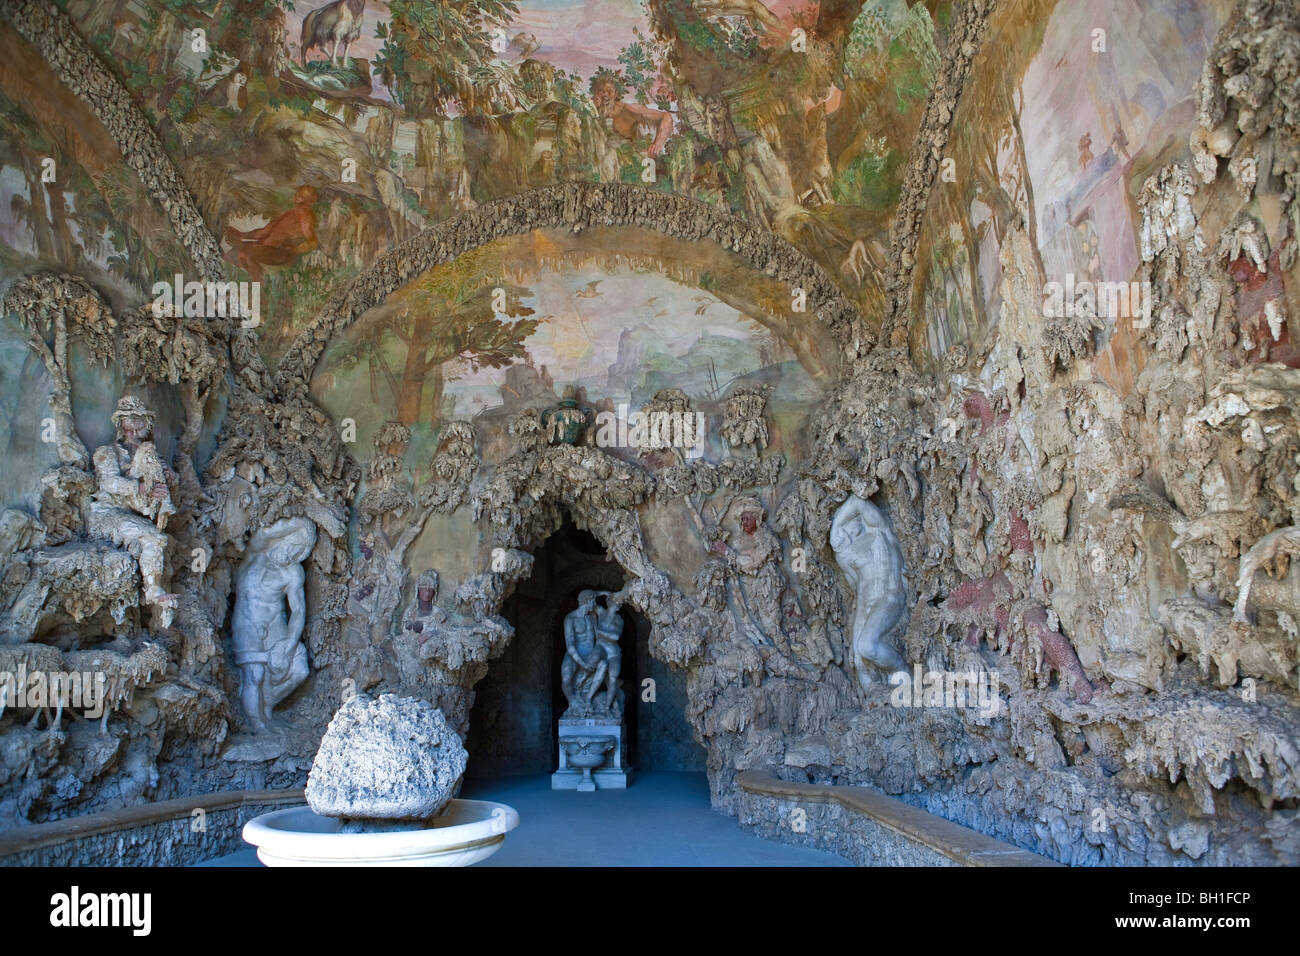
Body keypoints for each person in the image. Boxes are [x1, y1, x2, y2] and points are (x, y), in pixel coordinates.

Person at [85, 396, 178, 621]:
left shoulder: (148, 456)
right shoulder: (106, 452)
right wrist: (142, 487)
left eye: (138, 429)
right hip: (105, 515)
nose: (133, 435)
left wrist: (169, 479)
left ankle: (153, 588)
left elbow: (166, 480)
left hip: (129, 515)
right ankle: (153, 589)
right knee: (152, 537)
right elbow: (110, 483)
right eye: (128, 429)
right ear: (121, 428)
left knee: (155, 537)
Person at [225, 185, 319, 282]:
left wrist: (294, 250)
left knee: (245, 254)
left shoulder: (305, 215)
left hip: (281, 252)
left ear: (309, 200)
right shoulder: (289, 213)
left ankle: (260, 289)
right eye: (298, 193)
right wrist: (241, 235)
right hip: (266, 246)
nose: (298, 196)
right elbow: (263, 231)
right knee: (230, 254)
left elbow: (312, 241)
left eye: (302, 195)